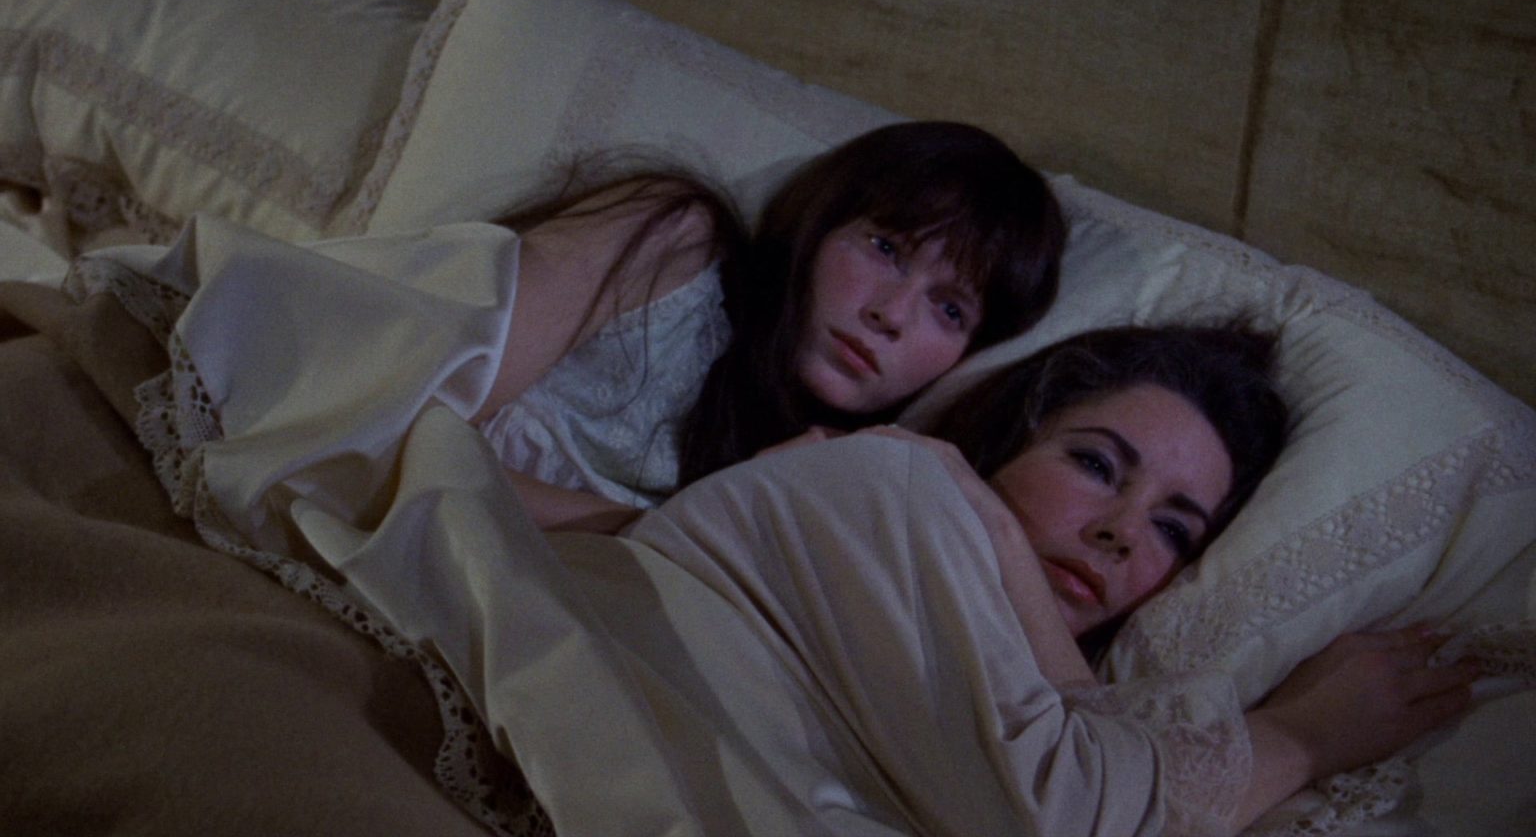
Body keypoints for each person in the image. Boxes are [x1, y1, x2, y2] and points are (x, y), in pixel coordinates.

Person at [837, 322, 1479, 833]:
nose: (1121, 531)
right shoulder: (852, 509)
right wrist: (1305, 738)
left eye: (1172, 529)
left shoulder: (1041, 715)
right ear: (1008, 440)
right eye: (1095, 465)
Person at [470, 120, 1066, 533]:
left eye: (950, 309)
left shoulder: (820, 481)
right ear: (821, 223)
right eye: (886, 248)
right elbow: (435, 407)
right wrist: (669, 530)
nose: (890, 314)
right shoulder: (673, 240)